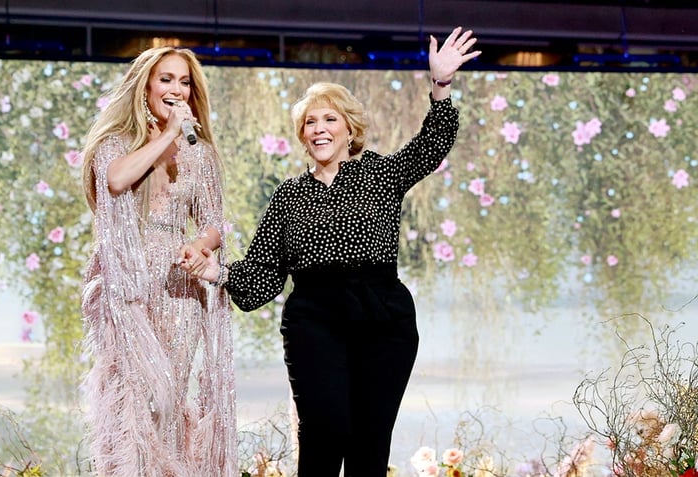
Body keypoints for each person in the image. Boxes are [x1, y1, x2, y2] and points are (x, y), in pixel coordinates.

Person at [181, 27, 480, 477]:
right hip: (315, 320)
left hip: (383, 316)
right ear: (302, 135)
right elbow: (262, 273)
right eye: (310, 122)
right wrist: (215, 272)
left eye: (329, 119)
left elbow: (431, 146)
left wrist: (441, 85)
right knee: (325, 432)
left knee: (369, 440)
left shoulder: (380, 174)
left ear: (349, 129)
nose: (319, 129)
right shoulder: (289, 196)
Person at [80, 46, 236, 477]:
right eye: (166, 79)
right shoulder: (116, 143)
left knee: (169, 397)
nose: (176, 89)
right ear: (146, 84)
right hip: (126, 288)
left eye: (184, 82)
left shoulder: (199, 152)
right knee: (133, 395)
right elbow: (115, 181)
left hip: (177, 287)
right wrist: (168, 134)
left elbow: (216, 221)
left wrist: (201, 245)